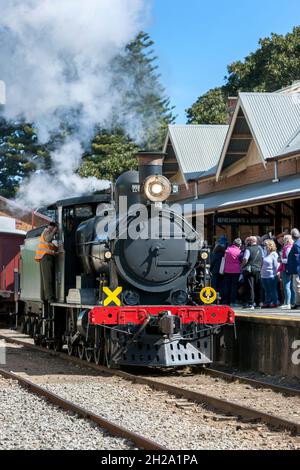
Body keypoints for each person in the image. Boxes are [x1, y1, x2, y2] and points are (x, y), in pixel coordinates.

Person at [35, 222, 58, 303]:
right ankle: (50, 298)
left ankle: (44, 297)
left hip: (45, 257)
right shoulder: (47, 231)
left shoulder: (47, 232)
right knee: (48, 278)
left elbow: (50, 245)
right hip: (46, 257)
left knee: (44, 279)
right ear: (52, 227)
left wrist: (55, 248)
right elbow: (48, 239)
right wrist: (54, 231)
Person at [241, 236, 263, 309]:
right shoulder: (260, 248)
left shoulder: (248, 249)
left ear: (250, 241)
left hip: (249, 270)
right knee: (257, 286)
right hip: (258, 269)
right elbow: (262, 258)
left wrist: (242, 266)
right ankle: (258, 303)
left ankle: (251, 303)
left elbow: (245, 259)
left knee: (250, 287)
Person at [223, 238, 242, 306]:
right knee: (234, 286)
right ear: (239, 244)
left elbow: (224, 258)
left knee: (226, 286)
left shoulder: (227, 250)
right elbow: (241, 260)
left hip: (227, 270)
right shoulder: (239, 251)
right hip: (236, 270)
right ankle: (233, 301)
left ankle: (225, 301)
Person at [261, 239, 279, 308]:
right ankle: (267, 302)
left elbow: (276, 266)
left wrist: (277, 274)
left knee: (273, 290)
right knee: (267, 290)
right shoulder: (265, 253)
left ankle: (275, 302)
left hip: (272, 276)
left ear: (270, 245)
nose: (264, 246)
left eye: (265, 245)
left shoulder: (274, 254)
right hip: (264, 275)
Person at [278, 234, 295, 309]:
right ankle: (291, 302)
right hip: (289, 269)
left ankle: (287, 303)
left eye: (284, 239)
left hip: (286, 268)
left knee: (286, 286)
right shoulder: (291, 247)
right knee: (290, 287)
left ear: (286, 240)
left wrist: (281, 260)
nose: (282, 240)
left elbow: (289, 260)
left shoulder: (287, 248)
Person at [286, 228, 300, 310]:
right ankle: (297, 303)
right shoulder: (297, 243)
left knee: (297, 286)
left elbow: (298, 258)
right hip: (296, 269)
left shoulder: (297, 244)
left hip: (297, 269)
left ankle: (298, 303)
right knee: (296, 287)